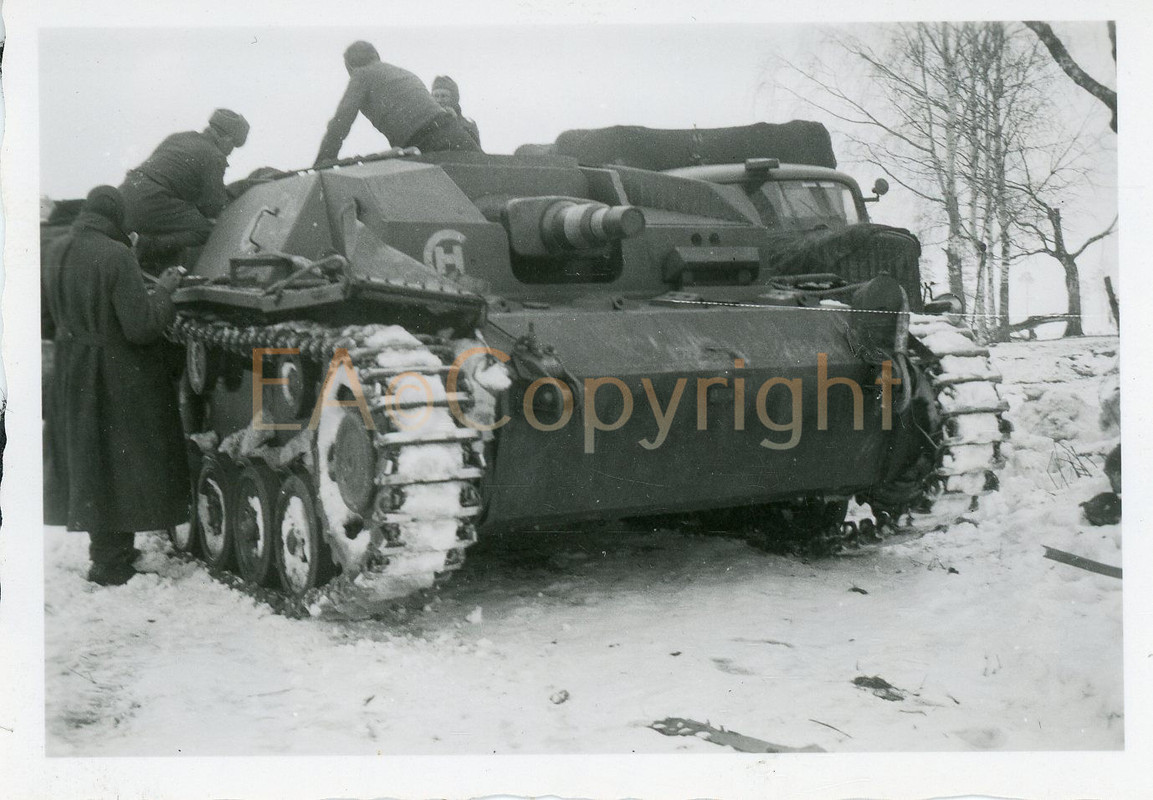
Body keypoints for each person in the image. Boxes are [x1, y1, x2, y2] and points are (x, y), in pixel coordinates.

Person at [43, 185, 190, 586]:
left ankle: (108, 552)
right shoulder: (116, 254)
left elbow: (45, 318)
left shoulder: (57, 249)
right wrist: (164, 290)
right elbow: (141, 327)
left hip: (72, 367)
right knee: (119, 462)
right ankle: (111, 563)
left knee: (92, 462)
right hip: (113, 372)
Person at [119, 108, 250, 275]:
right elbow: (213, 206)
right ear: (227, 139)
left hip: (125, 195)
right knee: (206, 229)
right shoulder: (214, 156)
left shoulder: (179, 138)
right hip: (151, 200)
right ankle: (145, 246)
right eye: (233, 145)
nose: (231, 151)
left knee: (183, 219)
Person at [314, 41, 482, 166]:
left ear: (350, 67)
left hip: (424, 143)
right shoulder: (404, 73)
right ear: (376, 56)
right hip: (454, 132)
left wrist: (322, 162)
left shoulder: (361, 74)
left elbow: (340, 122)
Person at [431, 75, 481, 148]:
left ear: (454, 99)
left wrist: (455, 122)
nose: (439, 100)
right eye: (436, 96)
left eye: (443, 96)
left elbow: (475, 152)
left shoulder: (468, 125)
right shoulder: (427, 123)